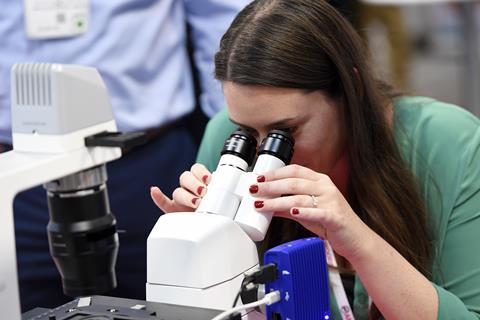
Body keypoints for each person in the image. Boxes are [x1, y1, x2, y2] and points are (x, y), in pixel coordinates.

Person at [150, 0, 480, 319]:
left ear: (351, 89)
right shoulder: (225, 134)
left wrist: (356, 240)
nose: (266, 153)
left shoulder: (450, 143)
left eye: (286, 132)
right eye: (248, 132)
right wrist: (199, 246)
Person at [0, 0, 251, 312]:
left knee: (179, 303)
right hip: (15, 172)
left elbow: (219, 15)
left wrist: (239, 135)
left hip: (146, 163)